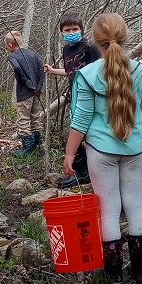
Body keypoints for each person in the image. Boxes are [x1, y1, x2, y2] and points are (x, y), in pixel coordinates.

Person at [63, 13, 142, 284]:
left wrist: (69, 154)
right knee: (137, 207)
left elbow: (80, 119)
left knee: (109, 209)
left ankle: (114, 274)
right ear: (123, 38)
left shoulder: (87, 75)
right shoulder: (138, 71)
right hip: (134, 150)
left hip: (100, 152)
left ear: (95, 40)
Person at [45, 11, 101, 188]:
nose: (71, 32)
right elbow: (71, 72)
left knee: (85, 132)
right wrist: (53, 70)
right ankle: (81, 170)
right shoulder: (66, 49)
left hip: (91, 95)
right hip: (75, 94)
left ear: (81, 29)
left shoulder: (90, 47)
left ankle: (91, 171)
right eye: (67, 30)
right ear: (62, 32)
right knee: (75, 131)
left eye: (75, 29)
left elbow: (99, 70)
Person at [5, 31, 45, 156]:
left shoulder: (12, 56)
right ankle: (38, 143)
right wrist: (38, 87)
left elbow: (17, 68)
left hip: (24, 92)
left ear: (10, 45)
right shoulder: (33, 54)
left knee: (23, 119)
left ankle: (27, 148)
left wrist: (28, 84)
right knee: (35, 117)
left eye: (6, 46)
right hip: (36, 93)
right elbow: (42, 69)